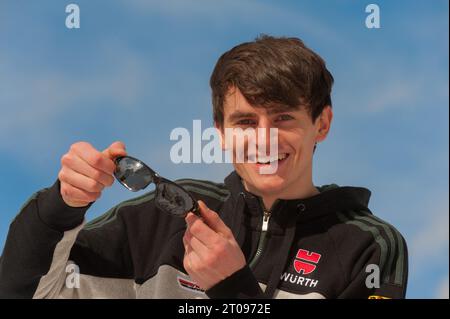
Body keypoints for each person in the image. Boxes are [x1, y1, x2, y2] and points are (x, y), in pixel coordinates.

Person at [0, 35, 408, 299]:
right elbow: (26, 292)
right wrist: (61, 206)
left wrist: (232, 289)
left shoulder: (369, 248)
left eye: (283, 118)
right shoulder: (163, 219)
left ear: (322, 123)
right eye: (246, 122)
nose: (264, 138)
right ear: (221, 132)